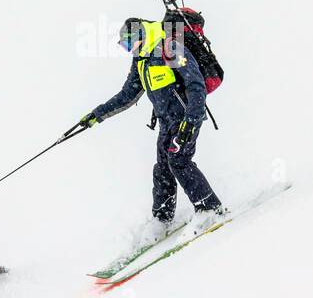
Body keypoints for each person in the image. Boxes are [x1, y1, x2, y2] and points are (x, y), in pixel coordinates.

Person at [78, 17, 225, 237]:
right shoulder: (141, 59)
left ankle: (209, 208)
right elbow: (127, 95)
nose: (128, 50)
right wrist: (96, 115)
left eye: (128, 44)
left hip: (186, 118)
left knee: (179, 161)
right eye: (124, 46)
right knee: (163, 167)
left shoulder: (170, 47)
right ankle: (161, 219)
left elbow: (196, 84)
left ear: (139, 36)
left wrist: (192, 120)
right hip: (167, 122)